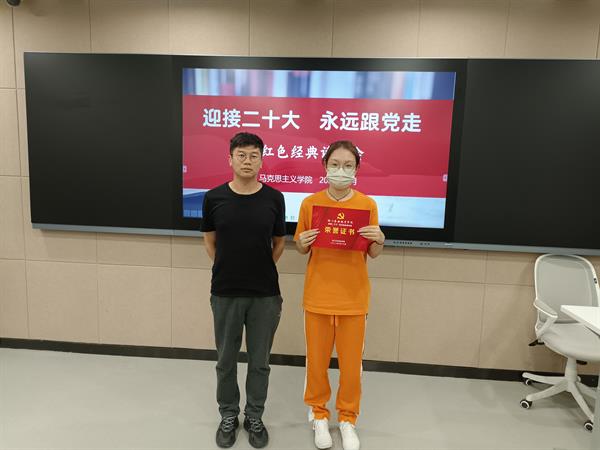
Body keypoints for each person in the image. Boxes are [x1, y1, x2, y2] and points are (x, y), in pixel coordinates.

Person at [294, 140, 385, 450]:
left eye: (348, 165)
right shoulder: (310, 204)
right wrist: (302, 242)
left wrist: (380, 239)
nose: (341, 170)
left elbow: (373, 253)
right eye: (335, 164)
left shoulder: (367, 205)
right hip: (318, 296)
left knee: (351, 367)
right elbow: (300, 246)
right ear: (325, 166)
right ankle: (319, 415)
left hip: (353, 299)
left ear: (357, 169)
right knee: (316, 364)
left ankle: (347, 419)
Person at [202, 132, 286, 448]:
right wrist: (230, 266)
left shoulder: (274, 198)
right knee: (225, 360)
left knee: (259, 361)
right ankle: (228, 414)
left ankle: (254, 416)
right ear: (230, 159)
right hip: (225, 291)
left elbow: (279, 243)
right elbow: (210, 241)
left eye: (253, 155)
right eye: (241, 155)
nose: (247, 161)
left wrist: (259, 266)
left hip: (265, 294)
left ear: (261, 161)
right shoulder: (214, 198)